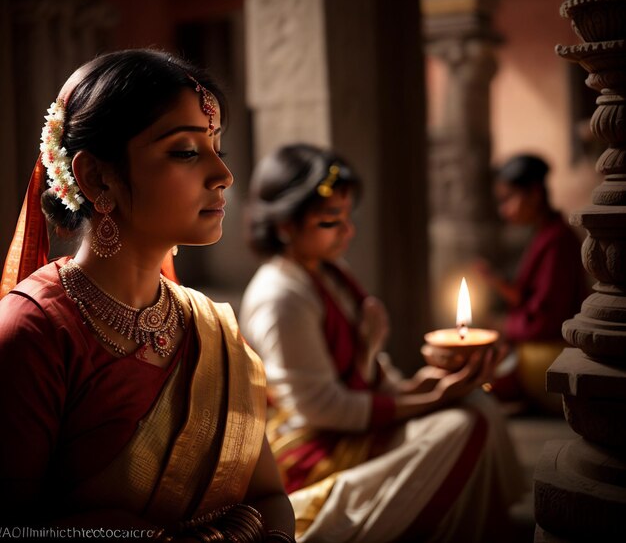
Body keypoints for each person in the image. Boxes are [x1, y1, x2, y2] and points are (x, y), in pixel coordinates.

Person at [0, 49, 296, 542]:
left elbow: (268, 497)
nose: (223, 174)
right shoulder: (31, 334)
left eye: (217, 145)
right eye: (185, 151)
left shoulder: (209, 326)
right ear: (97, 176)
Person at [239, 144, 525, 543]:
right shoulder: (280, 296)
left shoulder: (329, 271)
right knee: (459, 426)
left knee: (477, 402)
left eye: (347, 217)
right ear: (285, 226)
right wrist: (429, 399)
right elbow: (321, 408)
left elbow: (368, 370)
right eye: (330, 221)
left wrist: (417, 386)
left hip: (349, 422)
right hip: (313, 443)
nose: (348, 231)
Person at [474, 153, 590, 413]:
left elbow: (548, 319)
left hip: (551, 349)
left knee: (485, 374)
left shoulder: (558, 241)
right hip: (537, 340)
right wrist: (494, 281)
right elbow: (528, 297)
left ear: (535, 194)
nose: (504, 210)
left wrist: (506, 326)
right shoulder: (545, 235)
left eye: (508, 199)